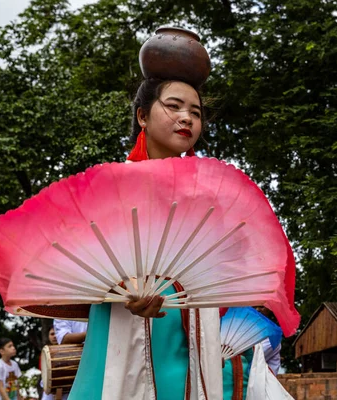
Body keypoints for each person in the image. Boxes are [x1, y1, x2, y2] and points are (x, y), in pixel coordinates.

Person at [67, 75, 222, 398]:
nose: (187, 119)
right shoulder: (111, 185)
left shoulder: (207, 196)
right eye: (174, 107)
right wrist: (123, 290)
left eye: (195, 113)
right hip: (124, 321)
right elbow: (84, 263)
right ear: (142, 116)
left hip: (190, 326)